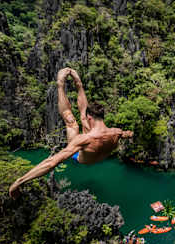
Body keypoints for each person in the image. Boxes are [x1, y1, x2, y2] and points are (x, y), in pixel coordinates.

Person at [9, 68, 133, 199]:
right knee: (82, 118)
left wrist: (19, 181)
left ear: (91, 117)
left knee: (71, 121)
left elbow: (52, 162)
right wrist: (129, 134)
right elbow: (125, 134)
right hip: (99, 152)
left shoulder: (84, 139)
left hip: (80, 157)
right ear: (102, 115)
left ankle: (60, 85)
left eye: (87, 116)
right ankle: (78, 83)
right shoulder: (117, 132)